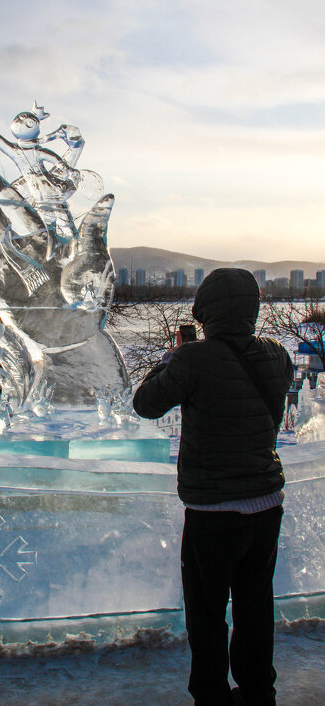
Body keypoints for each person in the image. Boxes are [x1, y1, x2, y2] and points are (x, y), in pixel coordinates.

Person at [133, 268, 293, 706]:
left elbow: (145, 405)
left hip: (213, 512)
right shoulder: (277, 354)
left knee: (206, 613)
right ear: (252, 309)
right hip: (266, 505)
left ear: (205, 312)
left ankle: (211, 695)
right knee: (255, 607)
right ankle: (259, 692)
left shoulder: (191, 360)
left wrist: (168, 361)